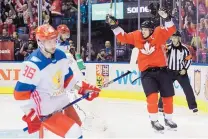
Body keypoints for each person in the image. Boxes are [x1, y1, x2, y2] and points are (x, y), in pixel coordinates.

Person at [13, 24, 101, 138]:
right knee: (74, 132)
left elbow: (67, 79)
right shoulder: (32, 64)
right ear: (40, 42)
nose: (53, 44)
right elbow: (20, 94)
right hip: (45, 107)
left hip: (62, 101)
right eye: (49, 42)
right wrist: (30, 114)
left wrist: (83, 90)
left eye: (54, 40)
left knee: (78, 126)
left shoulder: (61, 55)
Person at [106, 7, 177, 132]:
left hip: (163, 71)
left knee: (168, 96)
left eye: (145, 30)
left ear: (151, 30)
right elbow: (123, 37)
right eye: (142, 29)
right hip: (147, 74)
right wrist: (115, 26)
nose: (143, 31)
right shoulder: (136, 35)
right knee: (152, 97)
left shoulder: (159, 33)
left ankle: (168, 118)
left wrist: (167, 18)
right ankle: (154, 120)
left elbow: (172, 29)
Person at [158, 31, 198, 113]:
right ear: (171, 38)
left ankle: (193, 107)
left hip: (181, 72)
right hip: (169, 72)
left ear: (179, 38)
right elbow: (162, 58)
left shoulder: (184, 49)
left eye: (176, 37)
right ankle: (160, 106)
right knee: (165, 88)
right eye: (173, 37)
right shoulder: (167, 47)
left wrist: (185, 69)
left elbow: (189, 59)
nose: (174, 39)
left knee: (188, 89)